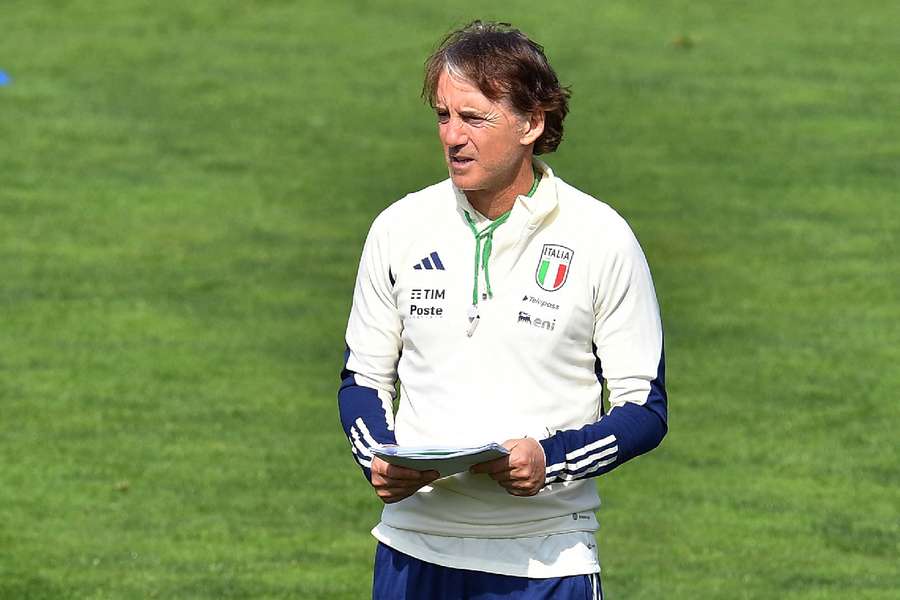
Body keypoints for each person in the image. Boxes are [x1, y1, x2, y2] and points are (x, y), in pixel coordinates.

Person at [338, 20, 667, 600]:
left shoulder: (601, 237)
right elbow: (361, 380)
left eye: (474, 118)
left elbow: (644, 408)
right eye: (444, 116)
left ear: (531, 123)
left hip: (544, 560)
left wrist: (550, 460)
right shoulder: (399, 228)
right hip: (413, 553)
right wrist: (378, 460)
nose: (453, 137)